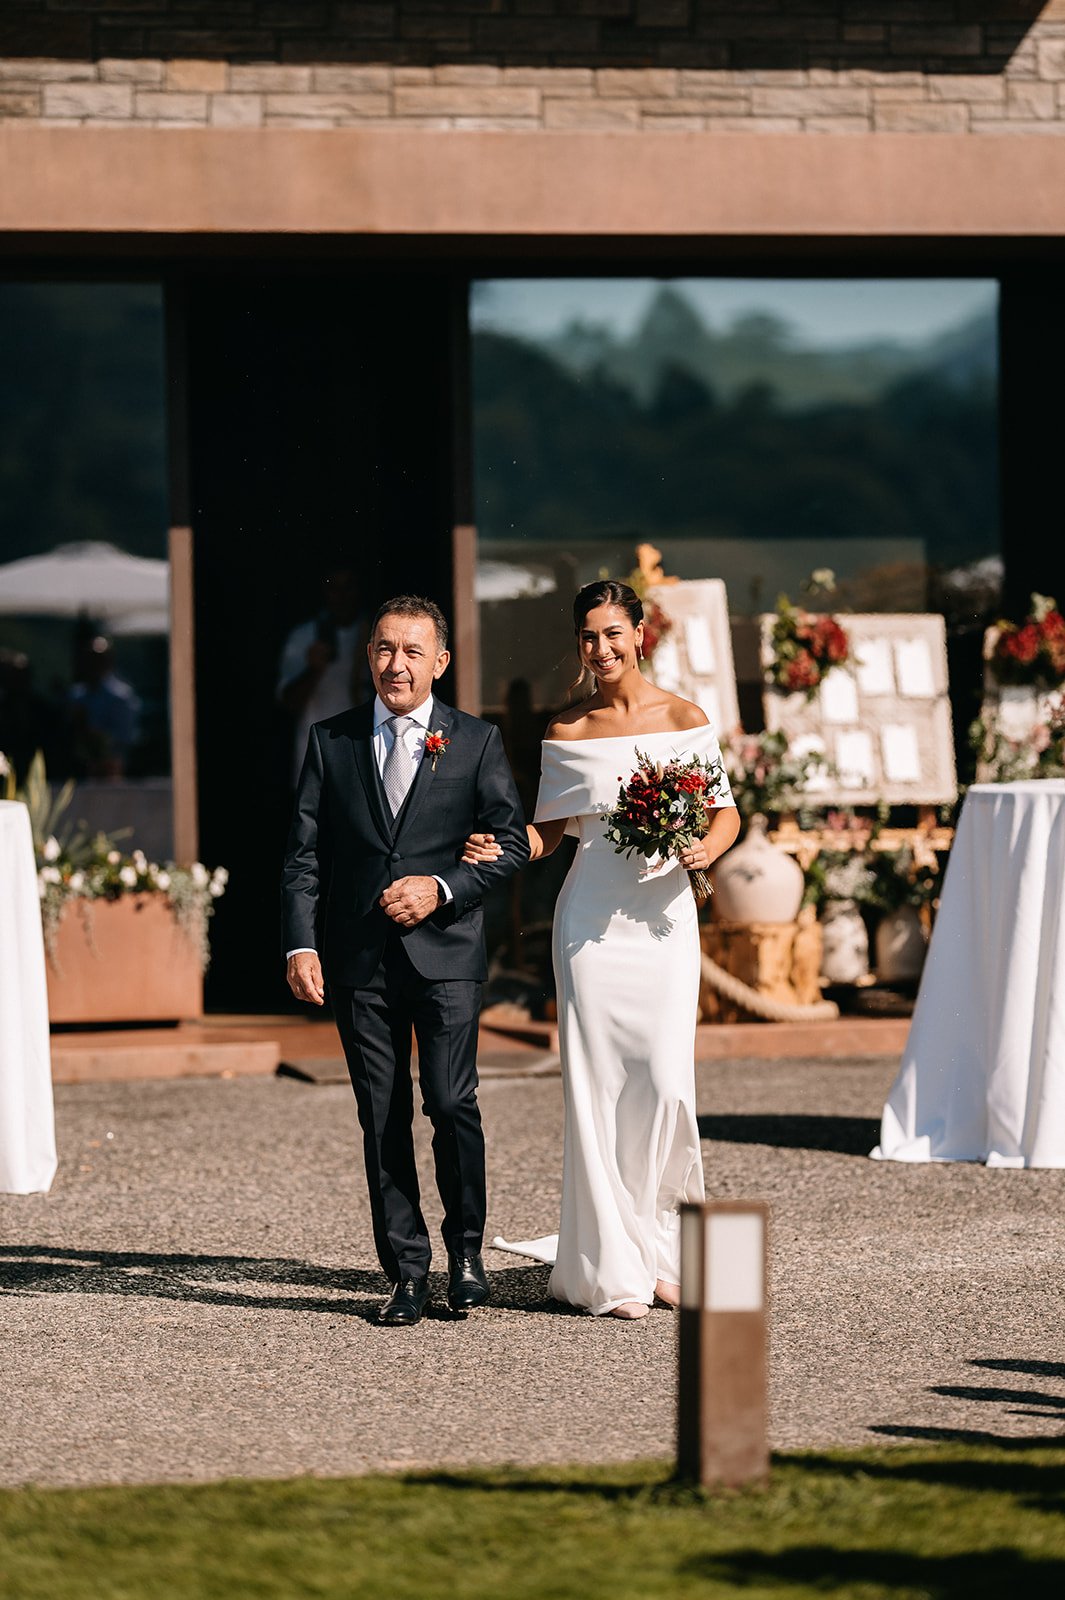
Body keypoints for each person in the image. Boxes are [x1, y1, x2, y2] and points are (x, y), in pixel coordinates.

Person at [463, 580, 740, 1319]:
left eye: (613, 633)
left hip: (664, 924)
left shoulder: (685, 719)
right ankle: (614, 1266)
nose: (601, 648)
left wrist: (704, 852)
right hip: (590, 927)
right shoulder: (567, 728)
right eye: (588, 637)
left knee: (667, 1086)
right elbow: (550, 833)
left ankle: (668, 1254)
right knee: (597, 1092)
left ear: (639, 634)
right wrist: (499, 848)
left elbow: (725, 815)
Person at [281, 595, 530, 1327]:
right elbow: (302, 857)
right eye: (385, 649)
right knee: (380, 1115)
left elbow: (511, 844)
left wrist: (442, 887)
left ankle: (467, 1253)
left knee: (450, 1102)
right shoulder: (331, 741)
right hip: (358, 960)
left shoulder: (475, 740)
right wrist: (301, 942)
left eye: (413, 651)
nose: (397, 664)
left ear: (440, 662)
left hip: (446, 953)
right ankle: (407, 1271)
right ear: (369, 656)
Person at [277, 566, 372, 786]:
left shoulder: (375, 634)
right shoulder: (304, 636)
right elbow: (288, 702)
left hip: (364, 758)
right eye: (334, 587)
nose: (342, 596)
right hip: (315, 761)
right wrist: (314, 669)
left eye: (348, 587)